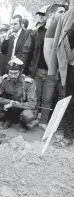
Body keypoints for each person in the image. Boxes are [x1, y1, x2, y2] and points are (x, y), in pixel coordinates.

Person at [20, 4, 66, 131]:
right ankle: (31, 120)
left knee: (47, 99)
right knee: (34, 98)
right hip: (36, 72)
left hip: (52, 74)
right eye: (61, 12)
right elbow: (26, 52)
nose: (64, 14)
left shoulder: (63, 32)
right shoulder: (36, 33)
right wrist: (24, 73)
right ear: (51, 15)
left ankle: (43, 121)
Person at [48, 4, 74, 148]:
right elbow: (58, 44)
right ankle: (69, 136)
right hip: (71, 67)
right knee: (70, 103)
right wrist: (54, 69)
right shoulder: (65, 17)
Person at [0, 58, 38, 133]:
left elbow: (32, 104)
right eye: (10, 73)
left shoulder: (29, 83)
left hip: (23, 108)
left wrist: (13, 104)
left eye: (15, 73)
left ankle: (23, 123)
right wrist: (10, 102)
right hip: (8, 109)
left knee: (28, 115)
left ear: (21, 72)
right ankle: (8, 119)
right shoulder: (4, 80)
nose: (13, 76)